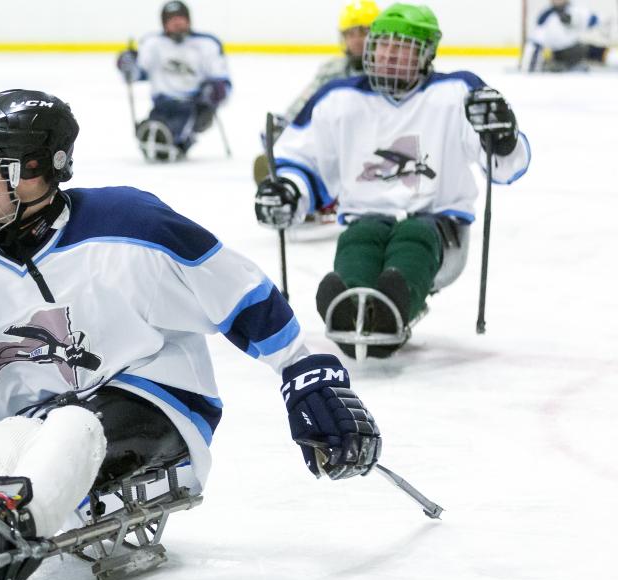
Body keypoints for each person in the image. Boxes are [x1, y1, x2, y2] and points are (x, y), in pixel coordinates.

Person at [0, 89, 381, 580]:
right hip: (33, 431)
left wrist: (302, 369)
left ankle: (3, 545)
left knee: (74, 426)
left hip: (158, 402)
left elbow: (235, 288)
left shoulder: (131, 225)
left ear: (35, 170)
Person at [254, 4, 532, 358]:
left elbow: (506, 167)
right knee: (359, 238)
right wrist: (289, 189)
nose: (388, 55)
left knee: (412, 235)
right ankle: (347, 300)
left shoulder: (457, 92)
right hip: (366, 218)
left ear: (426, 53)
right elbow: (303, 160)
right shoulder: (339, 98)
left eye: (401, 47)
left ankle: (393, 308)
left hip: (438, 227)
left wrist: (503, 136)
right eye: (382, 45)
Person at [253, 1, 382, 217]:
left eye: (364, 32)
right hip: (333, 142)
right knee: (286, 156)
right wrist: (284, 125)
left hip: (372, 149)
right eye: (351, 33)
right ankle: (303, 194)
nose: (357, 39)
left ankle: (327, 196)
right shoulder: (332, 70)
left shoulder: (389, 73)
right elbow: (306, 102)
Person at [116, 1, 232, 161]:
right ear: (164, 23)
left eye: (181, 18)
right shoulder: (153, 43)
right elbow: (138, 73)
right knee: (153, 129)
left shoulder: (207, 44)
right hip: (162, 103)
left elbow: (222, 79)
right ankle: (159, 135)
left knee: (172, 130)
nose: (177, 22)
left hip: (193, 105)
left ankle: (179, 139)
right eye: (171, 19)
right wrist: (127, 65)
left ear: (189, 20)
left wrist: (215, 91)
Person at [521, 0, 616, 72]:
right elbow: (535, 42)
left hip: (579, 49)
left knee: (602, 53)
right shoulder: (545, 17)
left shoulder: (574, 10)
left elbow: (592, 19)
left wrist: (573, 19)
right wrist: (530, 66)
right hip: (559, 54)